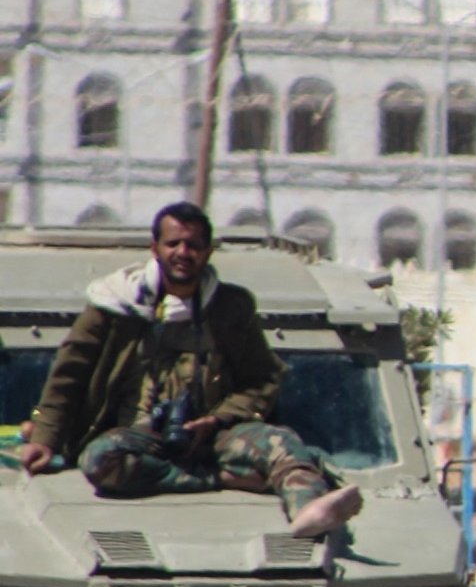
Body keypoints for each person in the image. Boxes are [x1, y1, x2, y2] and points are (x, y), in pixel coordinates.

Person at [18, 202, 361, 538]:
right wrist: (45, 440)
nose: (183, 252)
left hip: (214, 434)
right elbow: (68, 376)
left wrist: (217, 419)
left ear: (208, 252)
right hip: (139, 437)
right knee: (99, 461)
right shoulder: (113, 304)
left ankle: (308, 508)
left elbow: (263, 380)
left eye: (194, 245)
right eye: (173, 243)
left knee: (282, 443)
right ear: (155, 248)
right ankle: (221, 478)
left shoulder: (231, 307)